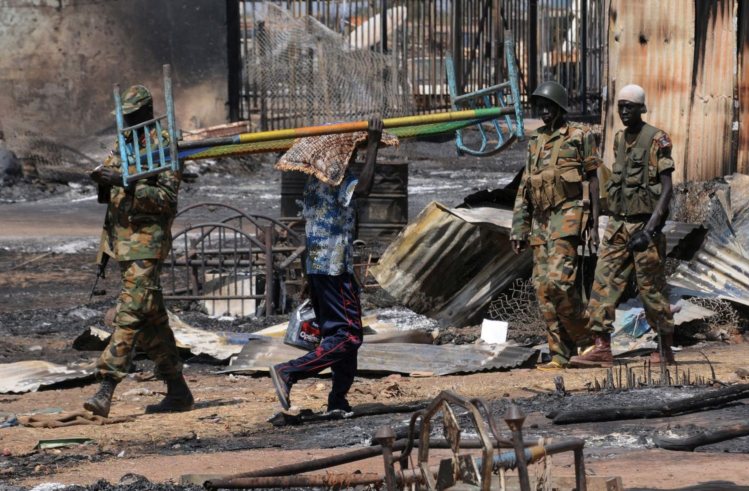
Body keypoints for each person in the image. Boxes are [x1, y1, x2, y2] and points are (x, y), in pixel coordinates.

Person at [84, 85, 193, 417]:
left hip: (148, 242)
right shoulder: (124, 142)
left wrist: (126, 182)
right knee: (150, 319)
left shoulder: (163, 145)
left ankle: (107, 385)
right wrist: (105, 180)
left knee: (129, 314)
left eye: (131, 116)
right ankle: (178, 390)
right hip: (123, 243)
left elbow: (166, 200)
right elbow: (111, 185)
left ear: (145, 112)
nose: (126, 121)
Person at [270, 118, 384, 413]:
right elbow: (367, 187)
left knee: (338, 334)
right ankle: (289, 372)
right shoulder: (338, 180)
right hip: (333, 268)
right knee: (349, 336)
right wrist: (373, 144)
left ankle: (338, 398)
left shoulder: (313, 183)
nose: (354, 158)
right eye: (352, 154)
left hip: (321, 267)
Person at [570, 84, 675, 368]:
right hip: (618, 225)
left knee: (650, 288)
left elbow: (667, 190)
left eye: (630, 106)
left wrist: (650, 230)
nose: (625, 111)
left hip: (644, 227)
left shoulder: (656, 139)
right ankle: (602, 347)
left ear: (642, 108)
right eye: (621, 106)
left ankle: (665, 349)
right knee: (602, 282)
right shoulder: (618, 139)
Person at [510, 81, 601, 370]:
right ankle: (560, 353)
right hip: (541, 221)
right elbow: (525, 187)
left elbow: (594, 178)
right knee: (542, 288)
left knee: (560, 283)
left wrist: (595, 222)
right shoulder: (535, 140)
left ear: (560, 108)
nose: (545, 112)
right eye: (541, 108)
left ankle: (587, 340)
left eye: (550, 107)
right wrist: (519, 228)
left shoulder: (579, 135)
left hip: (569, 216)